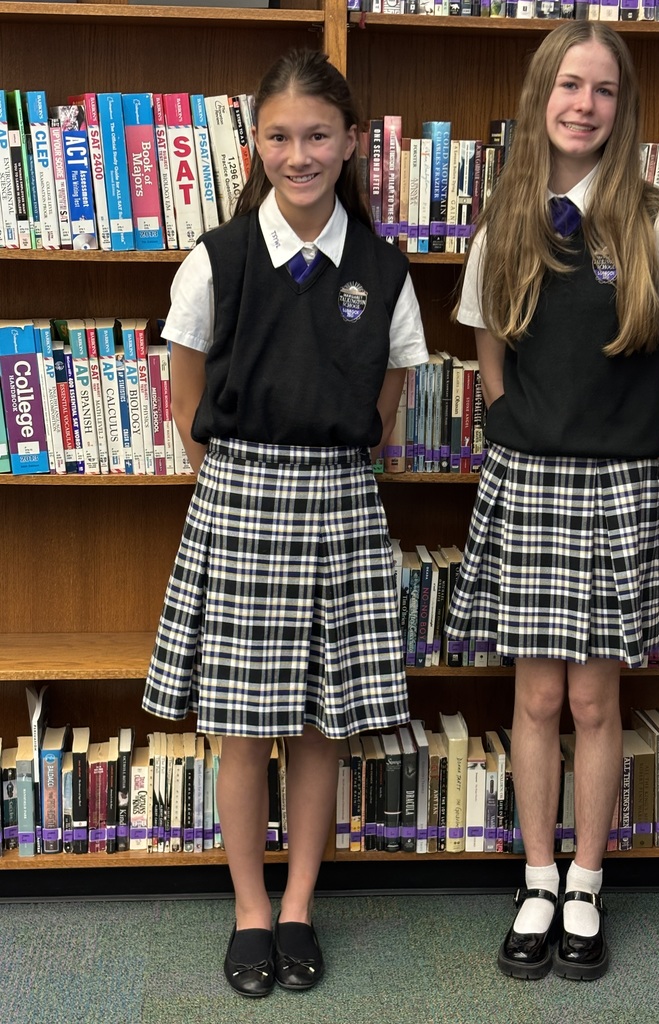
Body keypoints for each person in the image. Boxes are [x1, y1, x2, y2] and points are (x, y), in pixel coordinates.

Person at [142, 48, 428, 998]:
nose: (298, 154)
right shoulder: (218, 258)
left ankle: (299, 902)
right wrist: (229, 478)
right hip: (241, 500)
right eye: (278, 136)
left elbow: (390, 389)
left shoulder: (383, 270)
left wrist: (338, 462)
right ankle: (249, 911)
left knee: (320, 725)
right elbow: (186, 384)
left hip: (340, 499)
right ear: (255, 142)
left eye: (317, 136)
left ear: (350, 142)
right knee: (238, 727)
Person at [444, 22, 659, 982]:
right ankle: (537, 877)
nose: (584, 104)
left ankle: (589, 881)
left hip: (617, 483)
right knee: (535, 694)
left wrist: (630, 445)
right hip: (527, 480)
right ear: (540, 97)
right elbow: (484, 340)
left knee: (596, 698)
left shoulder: (656, 219)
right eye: (569, 85)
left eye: (602, 89)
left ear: (621, 106)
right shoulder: (505, 218)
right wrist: (515, 416)